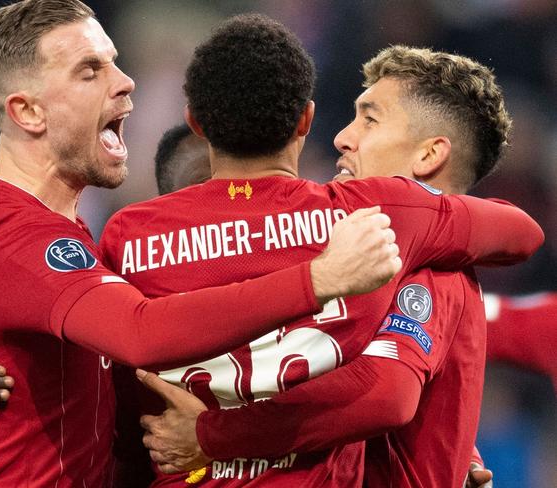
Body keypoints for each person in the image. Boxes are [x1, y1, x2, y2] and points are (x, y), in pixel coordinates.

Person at [0, 11, 541, 488]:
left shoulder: (116, 235)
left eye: (370, 119)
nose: (127, 83)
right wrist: (320, 276)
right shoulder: (368, 228)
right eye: (91, 70)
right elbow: (137, 333)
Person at [98, 20, 541, 488]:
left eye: (369, 118)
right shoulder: (362, 222)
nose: (343, 137)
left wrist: (210, 434)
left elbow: (388, 395)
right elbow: (520, 229)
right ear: (304, 121)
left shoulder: (127, 232)